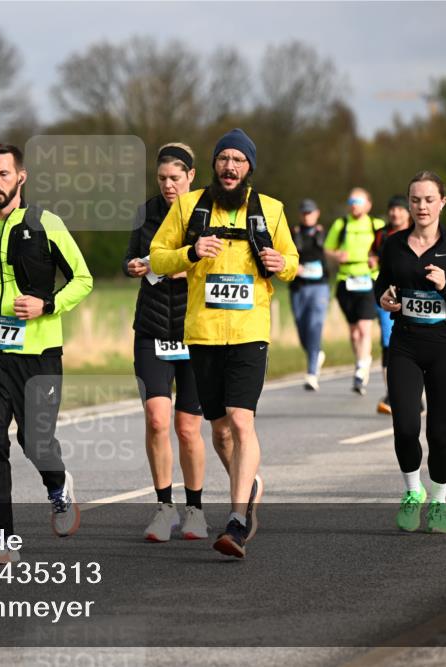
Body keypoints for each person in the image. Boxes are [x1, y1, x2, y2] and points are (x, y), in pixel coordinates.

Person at [150, 128, 299, 558]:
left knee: (240, 419)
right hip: (203, 333)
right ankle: (248, 485)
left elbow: (293, 262)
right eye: (223, 159)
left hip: (250, 333)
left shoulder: (270, 210)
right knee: (219, 432)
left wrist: (280, 262)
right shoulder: (188, 206)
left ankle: (236, 520)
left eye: (238, 160)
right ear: (214, 165)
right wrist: (191, 251)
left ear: (249, 167)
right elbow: (157, 257)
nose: (230, 167)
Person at [0, 144, 93, 564]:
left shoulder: (46, 224)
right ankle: (4, 538)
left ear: (21, 177)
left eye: (3, 174)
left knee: (35, 440)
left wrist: (48, 304)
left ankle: (58, 486)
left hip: (38, 352)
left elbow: (82, 279)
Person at [375, 171, 446, 534]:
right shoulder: (394, 245)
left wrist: (445, 286)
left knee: (438, 434)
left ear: (442, 202)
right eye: (415, 200)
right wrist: (384, 297)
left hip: (445, 347)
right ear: (409, 203)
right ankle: (413, 491)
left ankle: (439, 503)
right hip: (405, 345)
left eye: (429, 199)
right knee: (405, 427)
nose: (422, 206)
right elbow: (381, 285)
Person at [123, 143, 207, 542]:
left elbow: (219, 266)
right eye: (161, 179)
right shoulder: (146, 213)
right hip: (153, 327)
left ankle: (195, 510)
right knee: (157, 419)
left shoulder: (207, 214)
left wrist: (180, 266)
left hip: (196, 332)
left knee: (187, 427)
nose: (168, 185)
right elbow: (131, 258)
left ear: (191, 176)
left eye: (175, 178)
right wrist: (135, 266)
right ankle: (164, 508)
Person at [324, 188, 385, 395]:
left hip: (369, 280)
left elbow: (388, 249)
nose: (354, 205)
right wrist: (336, 256)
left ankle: (360, 369)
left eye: (358, 201)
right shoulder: (341, 224)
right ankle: (362, 359)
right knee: (353, 332)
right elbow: (328, 248)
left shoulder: (377, 225)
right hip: (346, 280)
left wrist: (377, 259)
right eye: (351, 201)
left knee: (364, 328)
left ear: (368, 204)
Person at [369, 195, 413, 414]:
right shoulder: (381, 234)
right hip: (388, 293)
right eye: (392, 209)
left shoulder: (416, 232)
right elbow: (373, 252)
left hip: (414, 294)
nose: (395, 213)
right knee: (389, 342)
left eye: (400, 209)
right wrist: (372, 260)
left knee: (414, 342)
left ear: (408, 212)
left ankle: (415, 393)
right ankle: (392, 393)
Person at [289, 198, 329, 391]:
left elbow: (333, 251)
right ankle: (316, 353)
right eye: (304, 213)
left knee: (315, 325)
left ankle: (312, 373)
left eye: (310, 212)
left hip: (319, 286)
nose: (307, 216)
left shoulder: (324, 233)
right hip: (298, 287)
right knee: (302, 328)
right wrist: (292, 267)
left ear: (317, 213)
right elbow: (284, 254)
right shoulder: (292, 233)